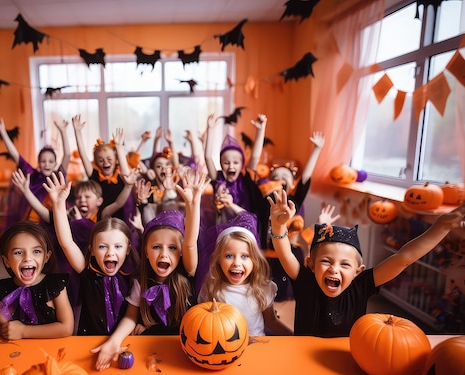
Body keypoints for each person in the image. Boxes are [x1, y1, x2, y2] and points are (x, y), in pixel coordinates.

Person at [268, 190, 465, 337]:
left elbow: (403, 258)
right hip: (304, 358)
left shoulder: (361, 285)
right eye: (326, 261)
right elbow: (285, 253)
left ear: (358, 271)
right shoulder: (305, 282)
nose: (334, 269)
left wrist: (442, 225)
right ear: (310, 264)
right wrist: (278, 225)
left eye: (345, 265)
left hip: (347, 360)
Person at [90, 171, 210, 371]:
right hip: (154, 348)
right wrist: (114, 340)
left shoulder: (187, 271)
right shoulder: (141, 281)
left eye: (172, 248)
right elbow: (131, 316)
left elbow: (190, 242)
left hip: (189, 348)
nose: (164, 254)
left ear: (180, 253)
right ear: (145, 251)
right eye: (156, 247)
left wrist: (193, 204)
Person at [44, 171, 139, 339]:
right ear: (92, 249)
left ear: (128, 249)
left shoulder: (132, 274)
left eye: (118, 246)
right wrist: (59, 204)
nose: (110, 252)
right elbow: (66, 242)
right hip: (89, 339)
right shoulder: (87, 272)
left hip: (124, 338)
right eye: (102, 246)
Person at [197, 213, 293, 336]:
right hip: (224, 347)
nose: (237, 263)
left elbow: (271, 321)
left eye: (244, 256)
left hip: (257, 346)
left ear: (254, 261)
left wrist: (293, 336)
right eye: (229, 256)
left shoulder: (262, 288)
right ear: (218, 260)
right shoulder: (212, 287)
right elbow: (204, 322)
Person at [0, 221, 74, 339]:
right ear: (7, 261)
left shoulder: (55, 285)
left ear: (46, 257)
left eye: (36, 251)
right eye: (18, 252)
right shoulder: (0, 291)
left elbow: (66, 328)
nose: (28, 258)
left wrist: (24, 331)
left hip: (53, 352)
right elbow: (8, 331)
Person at [0, 115, 70, 227]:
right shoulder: (32, 174)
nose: (47, 164)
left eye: (50, 161)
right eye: (43, 161)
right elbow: (15, 155)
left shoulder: (58, 177)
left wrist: (63, 131)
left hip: (52, 221)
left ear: (55, 164)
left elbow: (67, 154)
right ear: (38, 163)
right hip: (33, 221)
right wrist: (2, 131)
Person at [204, 113, 268, 224]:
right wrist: (211, 129)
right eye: (226, 162)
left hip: (244, 227)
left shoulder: (246, 179)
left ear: (242, 164)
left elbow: (255, 156)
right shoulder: (218, 178)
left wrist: (260, 130)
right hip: (223, 228)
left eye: (236, 162)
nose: (231, 166)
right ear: (220, 164)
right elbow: (208, 157)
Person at [72, 115, 132, 220]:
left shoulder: (121, 176)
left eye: (109, 159)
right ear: (96, 163)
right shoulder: (94, 175)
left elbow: (128, 177)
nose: (105, 163)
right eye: (101, 160)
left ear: (116, 159)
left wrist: (118, 146)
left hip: (120, 217)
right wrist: (77, 132)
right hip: (100, 217)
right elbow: (83, 156)